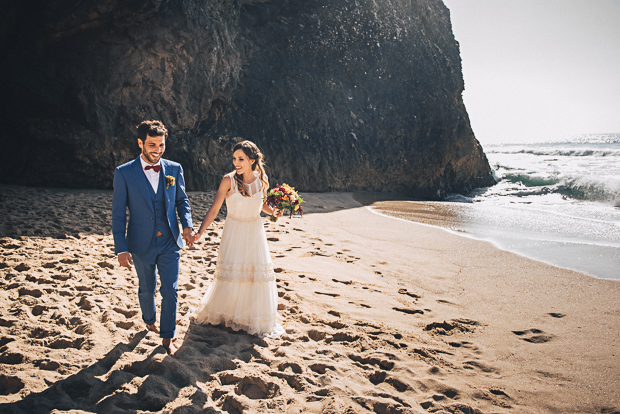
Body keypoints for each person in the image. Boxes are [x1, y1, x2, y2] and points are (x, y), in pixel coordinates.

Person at [112, 120, 194, 356]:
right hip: (140, 243)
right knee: (147, 289)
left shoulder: (174, 169)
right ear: (140, 143)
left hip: (170, 240)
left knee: (170, 289)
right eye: (151, 144)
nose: (157, 150)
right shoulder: (124, 173)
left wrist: (187, 226)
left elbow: (182, 201)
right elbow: (118, 214)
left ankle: (167, 338)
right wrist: (121, 248)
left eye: (161, 145)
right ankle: (149, 319)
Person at [193, 140, 284, 338]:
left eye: (241, 159)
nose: (236, 162)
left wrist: (275, 212)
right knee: (232, 273)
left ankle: (248, 316)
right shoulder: (229, 180)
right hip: (234, 231)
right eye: (234, 158)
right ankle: (228, 313)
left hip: (255, 231)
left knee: (253, 274)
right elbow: (215, 208)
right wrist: (200, 231)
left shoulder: (262, 179)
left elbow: (262, 205)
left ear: (252, 160)